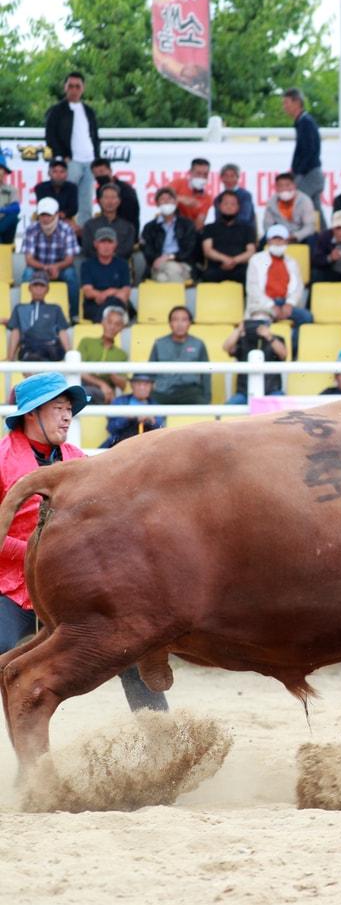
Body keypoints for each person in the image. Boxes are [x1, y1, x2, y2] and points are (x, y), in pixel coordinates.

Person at [0, 373, 170, 712]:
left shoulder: (78, 459)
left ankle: (164, 736)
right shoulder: (2, 459)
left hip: (70, 589)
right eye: (58, 408)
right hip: (11, 588)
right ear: (31, 413)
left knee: (128, 649)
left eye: (69, 409)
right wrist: (38, 554)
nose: (67, 416)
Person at [43, 72, 99, 224]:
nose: (74, 90)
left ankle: (83, 239)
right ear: (65, 88)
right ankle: (61, 234)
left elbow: (95, 137)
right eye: (71, 86)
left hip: (89, 161)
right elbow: (50, 136)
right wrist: (63, 156)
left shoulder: (89, 111)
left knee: (86, 204)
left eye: (77, 86)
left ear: (83, 88)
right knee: (64, 200)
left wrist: (96, 159)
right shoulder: (57, 110)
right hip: (71, 161)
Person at [21, 197, 81, 320]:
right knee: (27, 274)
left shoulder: (66, 229)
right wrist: (45, 268)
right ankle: (26, 313)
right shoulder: (31, 230)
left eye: (48, 215)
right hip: (39, 267)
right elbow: (29, 259)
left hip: (61, 267)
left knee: (71, 275)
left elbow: (70, 258)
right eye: (42, 215)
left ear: (56, 214)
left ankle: (73, 314)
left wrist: (56, 267)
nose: (45, 218)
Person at [246, 225, 314, 332]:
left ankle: (292, 346)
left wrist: (289, 303)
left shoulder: (292, 262)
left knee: (306, 317)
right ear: (268, 241)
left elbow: (298, 287)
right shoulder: (256, 260)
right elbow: (253, 288)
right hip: (264, 304)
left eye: (281, 240)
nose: (278, 243)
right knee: (260, 322)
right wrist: (271, 306)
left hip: (284, 302)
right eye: (275, 239)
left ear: (286, 242)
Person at [223, 305, 287, 404]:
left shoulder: (277, 339)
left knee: (282, 409)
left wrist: (269, 337)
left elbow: (283, 354)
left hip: (272, 391)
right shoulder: (243, 340)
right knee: (229, 408)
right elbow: (227, 348)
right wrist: (239, 330)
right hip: (245, 393)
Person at [149, 306, 210, 405]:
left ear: (190, 323)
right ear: (170, 323)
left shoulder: (198, 344)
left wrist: (207, 398)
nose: (179, 324)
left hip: (190, 392)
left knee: (203, 409)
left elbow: (206, 374)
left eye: (184, 320)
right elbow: (150, 372)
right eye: (175, 320)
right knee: (149, 410)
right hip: (163, 392)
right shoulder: (159, 343)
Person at [140, 187, 199, 284]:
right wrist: (159, 259)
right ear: (157, 204)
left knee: (162, 278)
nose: (166, 201)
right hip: (158, 264)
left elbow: (189, 250)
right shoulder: (150, 227)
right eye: (162, 199)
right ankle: (179, 299)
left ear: (176, 202)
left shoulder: (187, 225)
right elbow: (147, 250)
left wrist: (170, 257)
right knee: (170, 271)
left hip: (183, 264)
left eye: (169, 199)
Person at [7, 273, 70, 362]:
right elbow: (15, 331)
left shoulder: (55, 308)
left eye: (42, 286)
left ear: (47, 289)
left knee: (40, 357)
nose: (38, 289)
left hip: (51, 347)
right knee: (29, 357)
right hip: (28, 348)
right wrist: (10, 357)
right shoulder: (19, 308)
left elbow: (62, 331)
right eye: (35, 285)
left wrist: (70, 354)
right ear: (30, 288)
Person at [201, 190, 257, 286]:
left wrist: (233, 261)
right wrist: (225, 260)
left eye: (233, 204)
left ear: (238, 207)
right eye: (226, 203)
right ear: (219, 206)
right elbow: (208, 250)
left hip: (240, 267)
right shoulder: (209, 228)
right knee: (207, 275)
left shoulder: (247, 228)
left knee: (249, 276)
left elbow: (250, 251)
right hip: (216, 267)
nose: (229, 206)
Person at [79, 227, 133, 324]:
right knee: (115, 305)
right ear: (96, 244)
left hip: (115, 303)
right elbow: (88, 292)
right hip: (94, 305)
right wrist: (114, 293)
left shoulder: (123, 264)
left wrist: (107, 293)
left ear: (115, 244)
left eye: (110, 242)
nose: (106, 246)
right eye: (102, 242)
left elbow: (126, 292)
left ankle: (108, 318)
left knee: (118, 301)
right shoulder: (87, 265)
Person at [77, 305, 130, 403]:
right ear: (102, 322)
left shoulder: (121, 354)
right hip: (83, 385)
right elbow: (79, 371)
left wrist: (111, 374)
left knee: (83, 393)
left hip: (101, 393)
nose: (112, 327)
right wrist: (102, 383)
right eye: (109, 322)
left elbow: (123, 385)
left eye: (117, 324)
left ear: (122, 328)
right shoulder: (87, 342)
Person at [80, 183, 137, 270]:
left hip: (119, 268)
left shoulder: (128, 227)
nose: (110, 201)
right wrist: (102, 258)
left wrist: (109, 258)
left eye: (113, 198)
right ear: (100, 201)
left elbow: (127, 249)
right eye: (106, 197)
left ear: (119, 201)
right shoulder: (89, 225)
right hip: (95, 268)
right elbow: (87, 249)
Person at [282, 87, 323, 210]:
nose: (284, 107)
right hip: (310, 172)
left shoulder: (306, 122)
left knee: (296, 203)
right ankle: (322, 229)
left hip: (309, 173)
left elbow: (309, 151)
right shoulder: (303, 122)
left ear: (297, 102)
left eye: (286, 103)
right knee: (315, 210)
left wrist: (298, 172)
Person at [102, 373, 163, 447]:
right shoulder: (119, 402)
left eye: (146, 384)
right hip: (121, 446)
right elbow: (111, 429)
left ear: (151, 386)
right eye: (138, 384)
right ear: (132, 385)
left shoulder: (156, 406)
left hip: (147, 447)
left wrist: (151, 420)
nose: (142, 387)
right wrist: (126, 418)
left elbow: (161, 430)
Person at [262, 172, 319, 244]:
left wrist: (295, 236)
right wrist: (277, 236)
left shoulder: (304, 200)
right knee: (263, 241)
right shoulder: (271, 202)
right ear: (276, 187)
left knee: (312, 240)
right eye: (280, 186)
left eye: (287, 185)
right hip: (279, 236)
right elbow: (267, 225)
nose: (284, 189)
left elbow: (309, 226)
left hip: (300, 236)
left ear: (294, 185)